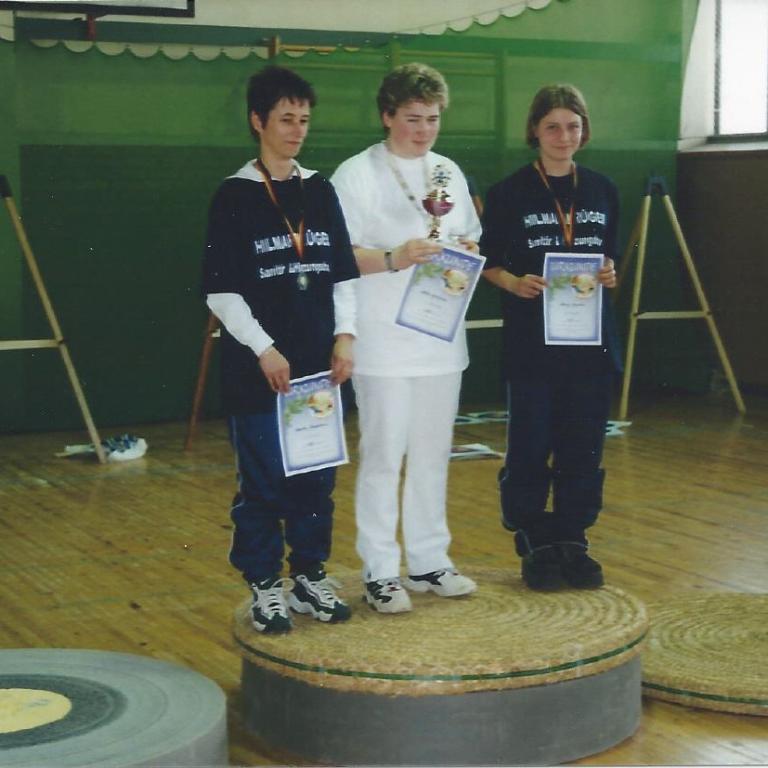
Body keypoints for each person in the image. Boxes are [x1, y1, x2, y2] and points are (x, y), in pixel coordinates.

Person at [201, 66, 359, 633]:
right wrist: (265, 349)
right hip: (260, 372)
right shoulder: (234, 195)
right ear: (258, 121)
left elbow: (342, 275)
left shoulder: (320, 190)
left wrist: (346, 336)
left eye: (304, 120)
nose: (297, 131)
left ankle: (310, 576)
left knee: (316, 482)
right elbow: (221, 291)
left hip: (318, 372)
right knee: (264, 482)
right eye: (286, 119)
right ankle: (265, 584)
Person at [331, 63, 481, 614]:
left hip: (440, 339)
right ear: (387, 116)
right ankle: (379, 570)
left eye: (433, 119)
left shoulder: (448, 171)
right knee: (382, 456)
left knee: (432, 454)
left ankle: (428, 560)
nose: (424, 130)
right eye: (413, 118)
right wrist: (397, 257)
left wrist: (463, 248)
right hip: (382, 344)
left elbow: (469, 236)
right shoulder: (356, 174)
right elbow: (337, 257)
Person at [479, 84, 620, 591]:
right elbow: (487, 264)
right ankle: (535, 537)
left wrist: (610, 273)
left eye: (574, 126)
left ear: (585, 131)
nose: (564, 136)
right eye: (553, 127)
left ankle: (573, 538)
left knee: (583, 448)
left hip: (590, 345)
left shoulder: (603, 189)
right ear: (535, 131)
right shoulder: (508, 192)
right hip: (533, 347)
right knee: (531, 446)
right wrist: (514, 283)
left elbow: (608, 256)